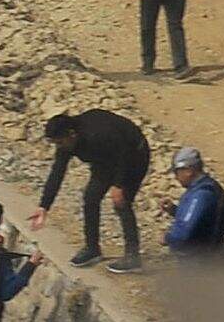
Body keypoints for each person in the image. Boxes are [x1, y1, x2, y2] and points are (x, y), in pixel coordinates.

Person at [31, 108, 150, 268]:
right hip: (105, 161)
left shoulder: (97, 133)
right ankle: (92, 248)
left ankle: (132, 256)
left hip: (134, 155)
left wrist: (119, 185)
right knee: (90, 198)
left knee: (121, 202)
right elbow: (57, 172)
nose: (58, 146)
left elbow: (125, 152)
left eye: (59, 142)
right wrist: (44, 206)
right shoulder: (66, 144)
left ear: (71, 134)